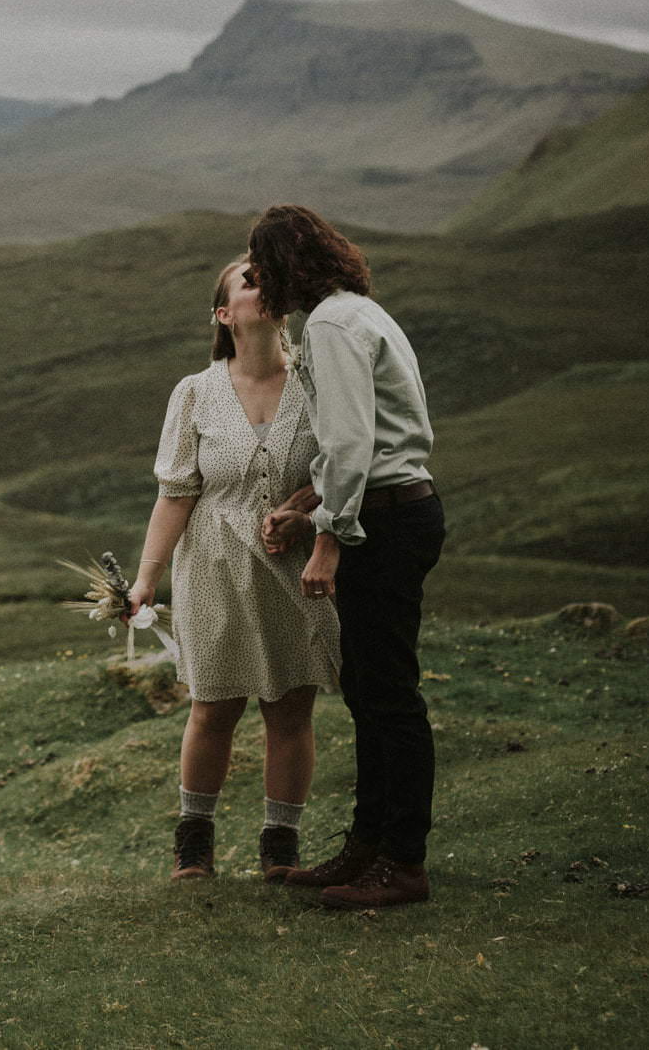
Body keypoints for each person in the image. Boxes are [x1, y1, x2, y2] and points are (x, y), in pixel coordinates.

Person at [253, 204, 443, 910]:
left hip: (384, 523)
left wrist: (327, 538)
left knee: (388, 694)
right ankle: (366, 846)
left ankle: (403, 861)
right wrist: (306, 507)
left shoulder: (329, 325)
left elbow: (351, 444)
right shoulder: (359, 310)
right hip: (397, 511)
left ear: (282, 266)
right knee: (368, 688)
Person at [128, 260, 340, 882]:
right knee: (213, 707)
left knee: (290, 708)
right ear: (225, 315)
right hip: (212, 569)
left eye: (269, 276)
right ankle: (194, 842)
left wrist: (306, 510)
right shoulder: (195, 392)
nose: (263, 284)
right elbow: (175, 494)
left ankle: (281, 845)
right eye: (248, 281)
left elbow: (345, 469)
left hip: (297, 566)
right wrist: (145, 578)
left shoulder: (319, 382)